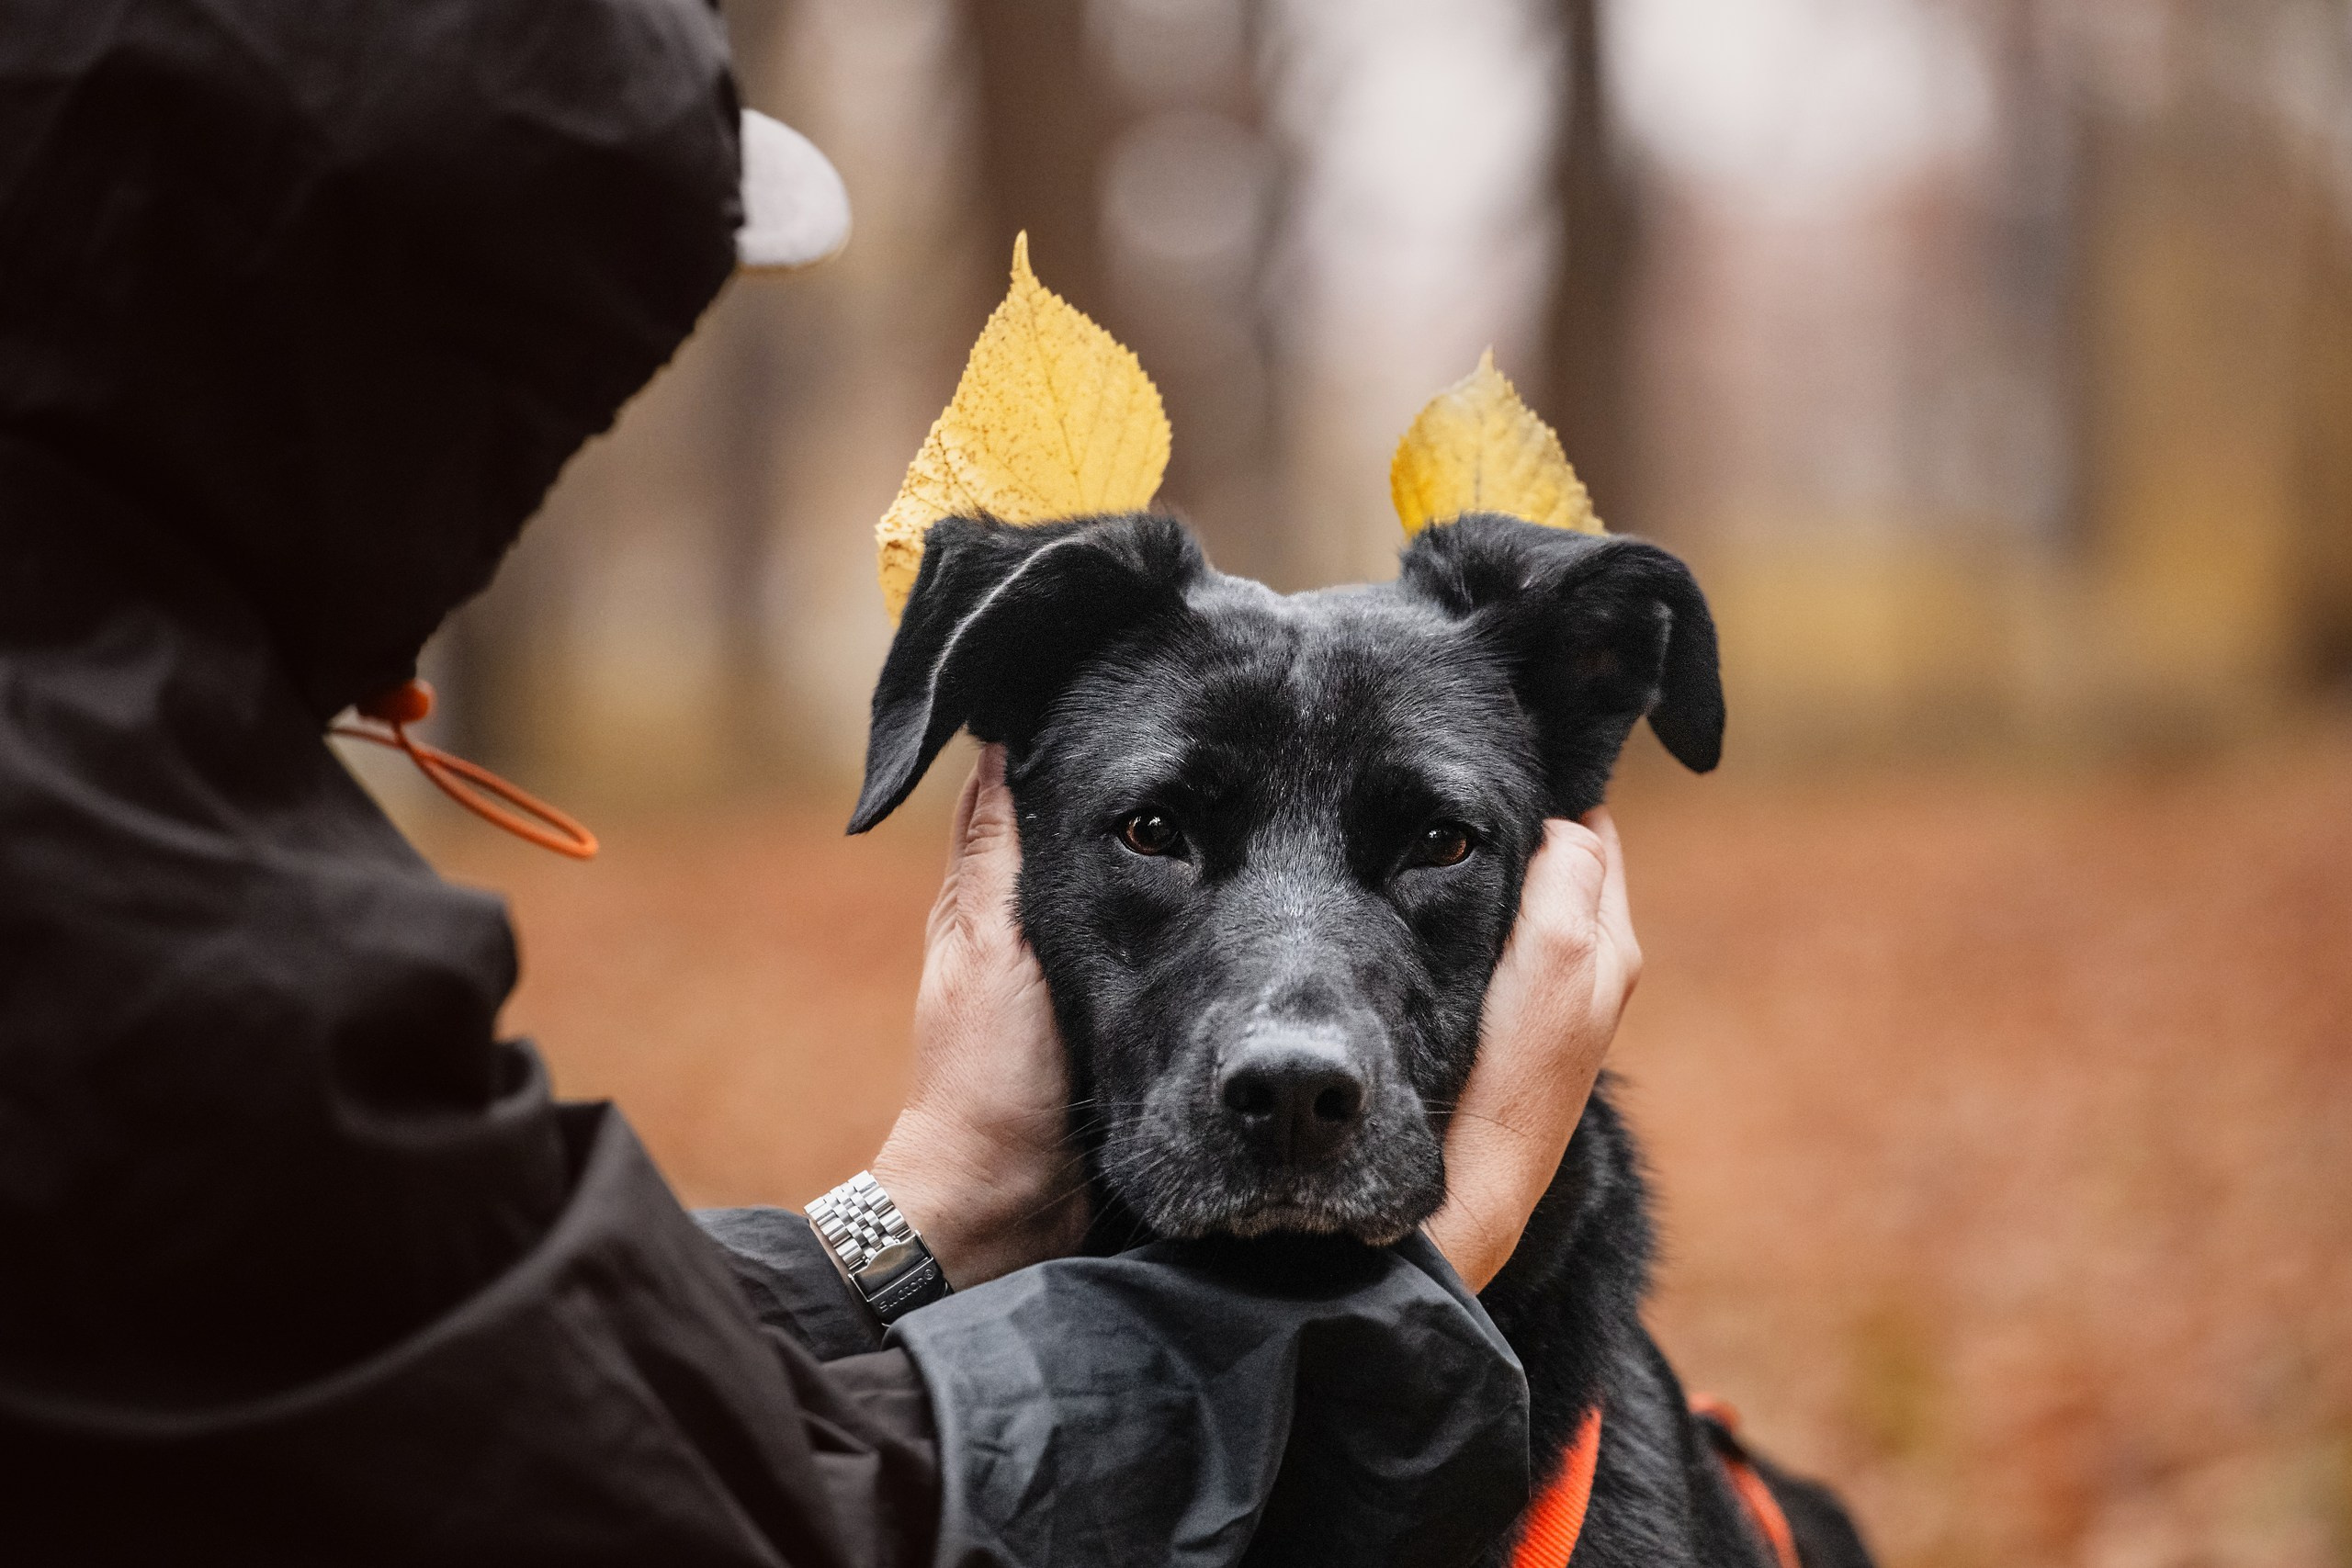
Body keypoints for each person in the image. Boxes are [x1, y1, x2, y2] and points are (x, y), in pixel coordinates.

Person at [0, 2, 1641, 1562]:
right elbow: (722, 1528)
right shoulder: (126, 917)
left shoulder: (114, 792)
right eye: (532, 381)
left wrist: (928, 1202)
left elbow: (435, 1360)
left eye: (1429, 841)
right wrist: (1438, 1260)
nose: (528, 477)